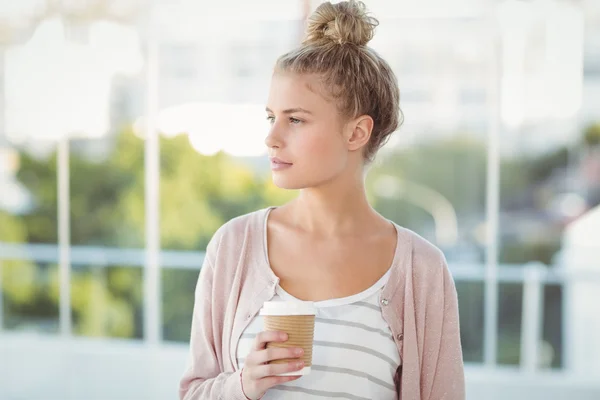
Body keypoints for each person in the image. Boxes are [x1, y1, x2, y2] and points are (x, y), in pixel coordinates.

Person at [179, 1, 465, 399]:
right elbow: (192, 392)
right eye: (271, 117)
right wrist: (242, 385)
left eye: (295, 119)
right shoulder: (234, 247)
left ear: (356, 133)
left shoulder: (422, 271)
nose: (272, 137)